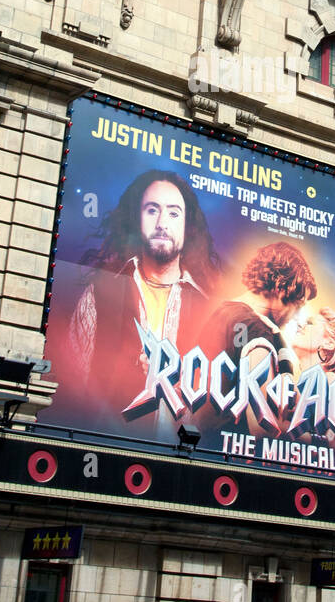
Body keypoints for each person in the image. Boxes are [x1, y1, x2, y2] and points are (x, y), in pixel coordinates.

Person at [63, 170, 220, 423]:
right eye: (152, 210)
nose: (162, 223)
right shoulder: (101, 292)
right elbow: (72, 383)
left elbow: (217, 408)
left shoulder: (209, 308)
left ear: (187, 226)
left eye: (173, 213)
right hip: (105, 443)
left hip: (185, 454)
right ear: (137, 219)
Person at [198, 242, 317, 432]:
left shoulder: (224, 312)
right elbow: (263, 428)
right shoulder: (257, 331)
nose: (297, 316)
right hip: (235, 458)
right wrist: (317, 442)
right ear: (281, 288)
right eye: (299, 304)